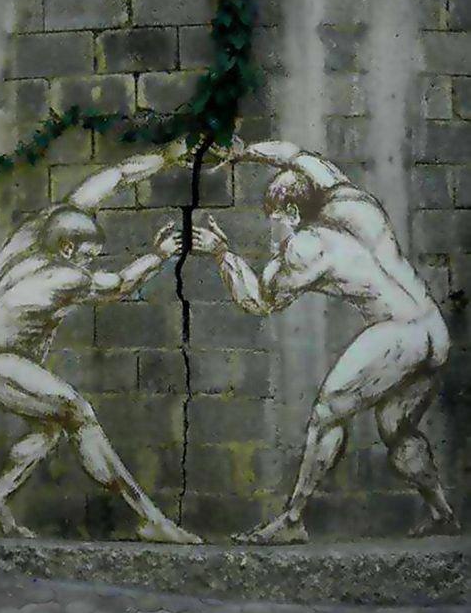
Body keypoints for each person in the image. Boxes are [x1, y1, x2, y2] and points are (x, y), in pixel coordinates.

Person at [193, 136, 459, 544]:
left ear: (291, 212)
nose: (272, 230)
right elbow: (295, 155)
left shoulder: (306, 247)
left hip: (399, 333)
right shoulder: (349, 197)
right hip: (432, 329)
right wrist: (243, 151)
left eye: (274, 219)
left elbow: (259, 301)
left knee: (327, 413)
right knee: (397, 428)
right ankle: (442, 512)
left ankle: (293, 519)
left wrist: (222, 253)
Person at [0, 138, 201, 544]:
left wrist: (167, 156)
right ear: (67, 248)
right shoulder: (66, 276)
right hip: (2, 362)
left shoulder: (31, 236)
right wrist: (160, 254)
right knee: (80, 414)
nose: (89, 262)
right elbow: (120, 284)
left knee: (50, 429)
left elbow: (114, 176)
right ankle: (147, 516)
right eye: (88, 255)